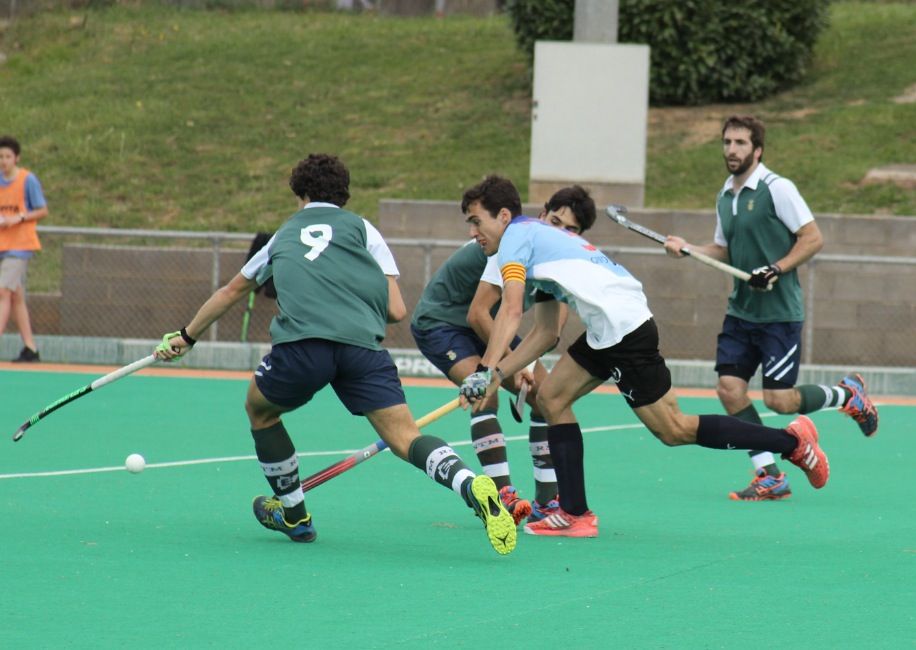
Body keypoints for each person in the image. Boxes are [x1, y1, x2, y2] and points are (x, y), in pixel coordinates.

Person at [154, 154, 516, 555]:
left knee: (260, 409)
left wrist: (187, 336)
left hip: (302, 346)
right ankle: (469, 483)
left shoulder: (284, 234)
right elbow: (396, 311)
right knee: (405, 436)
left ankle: (293, 513)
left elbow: (231, 292)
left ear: (301, 194)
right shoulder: (365, 230)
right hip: (362, 348)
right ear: (343, 194)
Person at [457, 175, 831, 539]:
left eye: (477, 221)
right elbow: (545, 333)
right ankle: (574, 513)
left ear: (503, 216)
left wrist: (485, 369)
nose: (473, 231)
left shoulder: (517, 239)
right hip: (609, 326)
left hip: (624, 328)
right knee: (551, 398)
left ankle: (792, 442)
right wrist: (496, 373)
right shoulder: (537, 240)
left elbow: (507, 311)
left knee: (674, 429)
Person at [663, 115, 878, 501]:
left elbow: (812, 238)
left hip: (778, 314)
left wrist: (776, 268)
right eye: (727, 142)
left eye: (741, 143)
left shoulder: (778, 189)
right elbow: (723, 249)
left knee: (779, 401)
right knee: (729, 390)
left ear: (757, 150)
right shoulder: (724, 196)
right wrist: (689, 250)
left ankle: (847, 395)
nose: (732, 150)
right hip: (740, 312)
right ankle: (770, 474)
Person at [410, 185, 596, 525]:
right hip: (442, 324)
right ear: (541, 216)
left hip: (490, 326)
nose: (560, 233)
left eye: (570, 230)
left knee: (548, 398)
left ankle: (546, 503)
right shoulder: (508, 246)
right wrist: (505, 365)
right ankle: (502, 496)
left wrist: (525, 363)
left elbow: (551, 328)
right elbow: (478, 314)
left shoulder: (558, 259)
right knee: (485, 393)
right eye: (555, 221)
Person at [0, 135, 49, 363]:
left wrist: (17, 218)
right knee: (16, 296)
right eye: (0, 156)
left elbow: (42, 210)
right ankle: (31, 348)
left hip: (20, 246)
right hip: (3, 245)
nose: (3, 161)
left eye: (8, 156)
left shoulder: (27, 180)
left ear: (16, 158)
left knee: (2, 292)